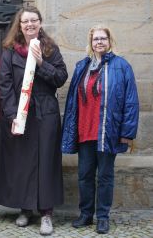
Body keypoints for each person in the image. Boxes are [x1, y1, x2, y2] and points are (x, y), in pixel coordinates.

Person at [0, 6, 68, 236]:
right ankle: (25, 208)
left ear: (40, 23)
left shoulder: (50, 49)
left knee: (45, 162)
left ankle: (46, 213)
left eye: (34, 20)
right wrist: (15, 115)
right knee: (22, 162)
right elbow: (4, 87)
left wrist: (42, 63)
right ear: (20, 25)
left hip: (45, 113)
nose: (29, 25)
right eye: (25, 21)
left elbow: (61, 78)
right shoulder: (9, 51)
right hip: (20, 114)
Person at [61, 25, 139, 234]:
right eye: (96, 39)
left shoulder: (121, 66)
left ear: (109, 41)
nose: (99, 42)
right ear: (91, 42)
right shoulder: (82, 67)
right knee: (84, 175)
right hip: (85, 131)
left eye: (103, 38)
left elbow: (131, 102)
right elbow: (72, 101)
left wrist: (127, 133)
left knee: (105, 176)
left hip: (108, 131)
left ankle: (102, 217)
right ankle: (86, 214)